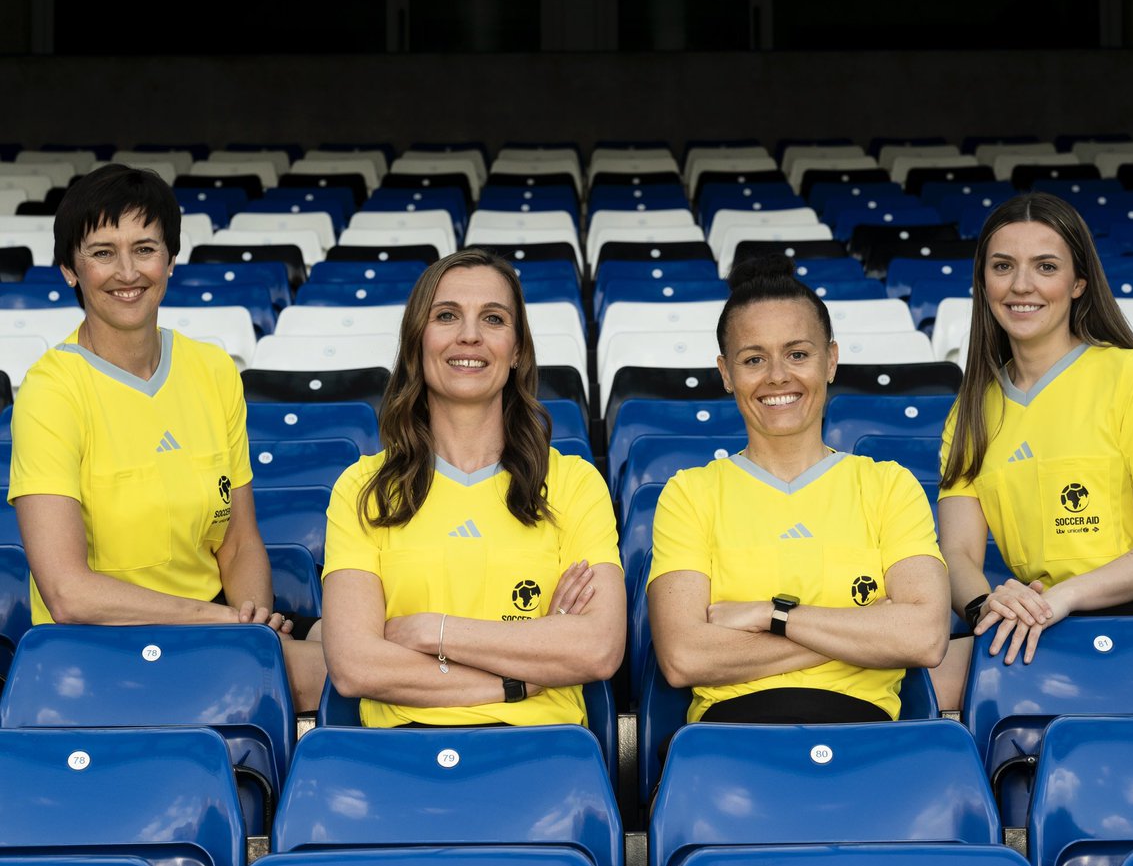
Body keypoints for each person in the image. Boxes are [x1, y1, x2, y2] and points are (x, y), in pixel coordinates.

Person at [8, 162, 326, 710]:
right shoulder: (50, 391)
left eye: (146, 248)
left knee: (357, 646)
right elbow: (68, 593)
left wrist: (252, 628)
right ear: (68, 268)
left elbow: (239, 541)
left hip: (211, 628)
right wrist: (227, 625)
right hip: (96, 648)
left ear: (172, 260)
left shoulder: (212, 369)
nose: (127, 272)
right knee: (355, 675)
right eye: (102, 252)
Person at [321, 248, 625, 727]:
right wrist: (519, 675)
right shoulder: (363, 487)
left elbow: (598, 649)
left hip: (544, 751)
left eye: (493, 319)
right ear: (417, 341)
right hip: (395, 756)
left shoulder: (575, 482)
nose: (470, 335)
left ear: (518, 348)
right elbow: (355, 666)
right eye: (446, 316)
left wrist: (429, 630)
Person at [647, 254, 949, 735]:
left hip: (868, 738)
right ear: (725, 373)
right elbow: (684, 657)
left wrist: (771, 616)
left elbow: (926, 637)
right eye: (753, 359)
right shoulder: (690, 494)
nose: (777, 376)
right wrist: (864, 631)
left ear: (830, 360)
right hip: (728, 740)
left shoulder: (889, 486)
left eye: (798, 354)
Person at [935, 191, 1133, 709]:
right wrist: (988, 602)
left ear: (1078, 283)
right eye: (1003, 266)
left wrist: (1064, 598)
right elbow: (958, 553)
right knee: (917, 688)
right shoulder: (969, 411)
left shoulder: (1128, 375)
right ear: (983, 282)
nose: (1021, 285)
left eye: (1045, 266)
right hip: (1038, 622)